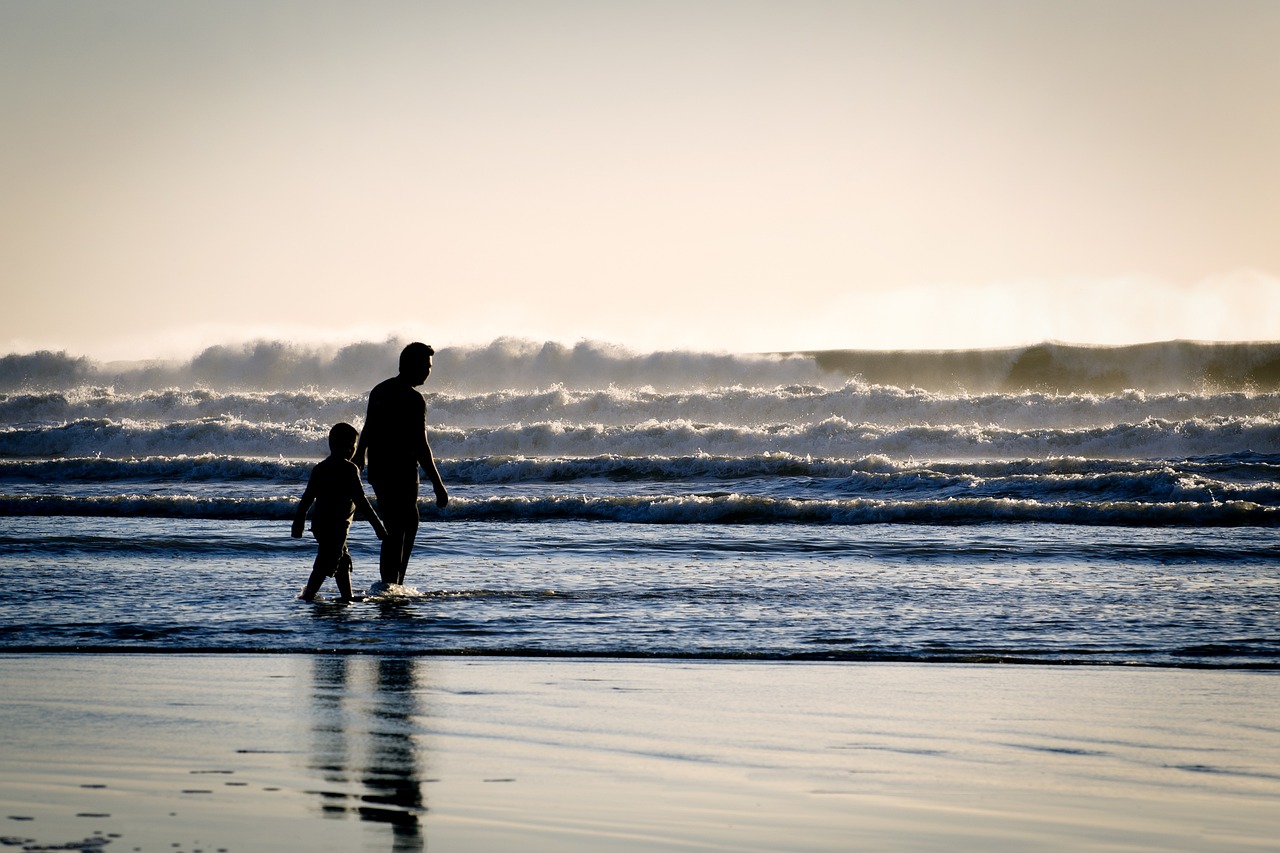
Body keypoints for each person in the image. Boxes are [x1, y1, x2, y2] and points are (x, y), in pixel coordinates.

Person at [353, 342, 449, 586]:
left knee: (404, 524)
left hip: (379, 470)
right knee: (399, 528)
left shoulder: (380, 390)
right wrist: (438, 485)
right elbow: (421, 445)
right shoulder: (413, 399)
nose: (428, 372)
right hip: (402, 471)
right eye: (426, 366)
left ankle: (394, 582)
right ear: (411, 365)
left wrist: (360, 454)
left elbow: (369, 427)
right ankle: (391, 584)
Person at [292, 422, 387, 602]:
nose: (354, 449)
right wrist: (378, 526)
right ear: (342, 445)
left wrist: (299, 522)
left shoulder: (319, 468)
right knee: (326, 561)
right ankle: (308, 595)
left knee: (342, 560)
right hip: (337, 526)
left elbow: (307, 499)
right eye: (352, 445)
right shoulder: (349, 469)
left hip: (320, 524)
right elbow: (361, 501)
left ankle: (346, 596)